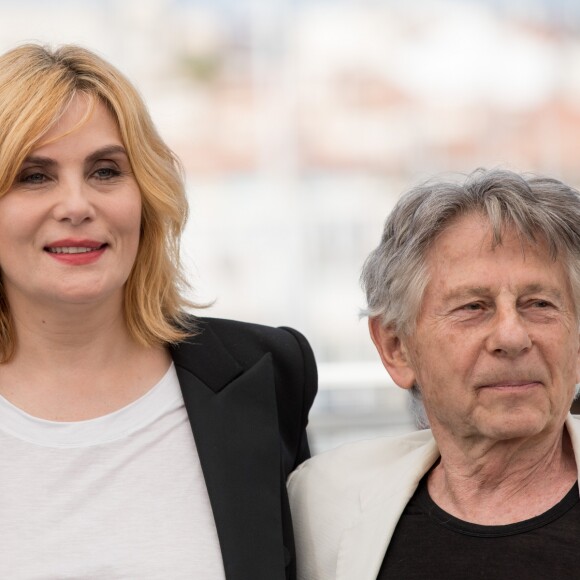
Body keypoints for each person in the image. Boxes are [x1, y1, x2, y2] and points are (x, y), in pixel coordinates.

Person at [0, 43, 317, 580]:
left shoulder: (263, 373)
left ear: (146, 192)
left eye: (105, 171)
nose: (77, 205)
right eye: (34, 175)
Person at [288, 168, 580, 579]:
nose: (512, 337)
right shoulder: (323, 503)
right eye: (473, 307)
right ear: (396, 348)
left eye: (539, 304)